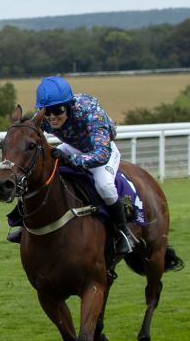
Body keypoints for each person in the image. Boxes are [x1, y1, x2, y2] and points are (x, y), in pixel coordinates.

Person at [31, 75, 135, 255]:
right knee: (40, 170)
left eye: (57, 110)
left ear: (69, 106)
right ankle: (24, 222)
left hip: (101, 151)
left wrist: (71, 160)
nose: (52, 117)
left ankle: (123, 232)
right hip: (71, 147)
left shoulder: (90, 113)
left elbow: (101, 154)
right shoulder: (44, 117)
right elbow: (28, 132)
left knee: (104, 185)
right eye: (47, 112)